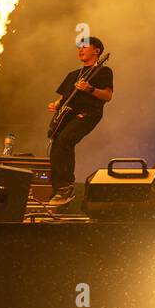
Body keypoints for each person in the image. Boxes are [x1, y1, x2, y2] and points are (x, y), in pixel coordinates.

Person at [46, 36, 113, 207]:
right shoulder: (73, 75)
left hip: (89, 113)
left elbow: (108, 95)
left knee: (65, 140)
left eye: (84, 46)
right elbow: (62, 98)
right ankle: (58, 188)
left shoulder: (103, 71)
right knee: (56, 145)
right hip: (67, 114)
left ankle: (66, 187)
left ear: (97, 51)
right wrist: (56, 104)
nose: (80, 50)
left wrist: (90, 89)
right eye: (79, 48)